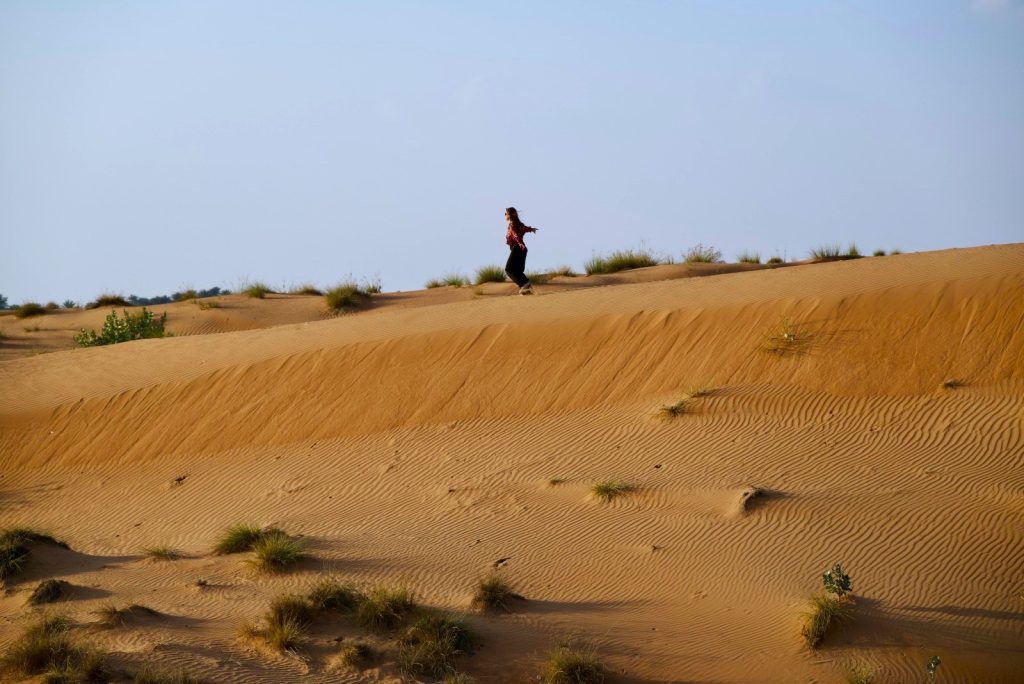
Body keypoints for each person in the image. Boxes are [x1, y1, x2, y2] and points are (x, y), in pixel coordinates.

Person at [504, 207, 539, 295]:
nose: (504, 215)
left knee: (509, 269)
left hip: (518, 248)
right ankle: (526, 288)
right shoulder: (517, 224)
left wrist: (520, 243)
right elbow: (524, 228)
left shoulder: (512, 225)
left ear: (510, 215)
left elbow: (515, 235)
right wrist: (531, 229)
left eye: (506, 213)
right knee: (517, 270)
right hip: (521, 249)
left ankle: (524, 284)